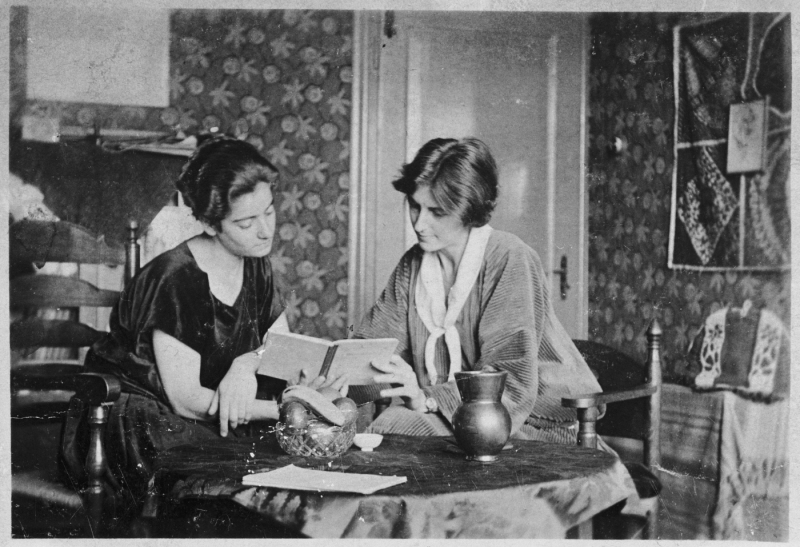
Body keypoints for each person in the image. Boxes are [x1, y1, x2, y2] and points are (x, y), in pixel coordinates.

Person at [61, 135, 346, 501]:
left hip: (212, 415)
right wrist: (287, 410)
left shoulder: (258, 266)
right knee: (230, 479)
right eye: (246, 222)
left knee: (283, 468)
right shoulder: (176, 278)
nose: (265, 230)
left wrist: (246, 363)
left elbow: (279, 351)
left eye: (269, 211)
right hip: (142, 419)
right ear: (211, 225)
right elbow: (186, 400)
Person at [354, 137, 602, 444]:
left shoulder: (509, 257)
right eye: (415, 206)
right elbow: (373, 347)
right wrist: (329, 378)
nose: (419, 224)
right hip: (455, 417)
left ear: (469, 211)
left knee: (394, 428)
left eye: (437, 212)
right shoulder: (414, 264)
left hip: (527, 424)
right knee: (387, 429)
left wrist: (427, 400)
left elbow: (508, 378)